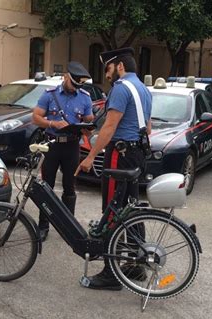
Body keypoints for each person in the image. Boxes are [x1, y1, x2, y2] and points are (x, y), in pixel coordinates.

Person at [74, 47, 152, 290]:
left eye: (107, 68)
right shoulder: (143, 89)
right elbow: (147, 128)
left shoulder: (120, 88)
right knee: (131, 208)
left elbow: (109, 127)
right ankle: (136, 265)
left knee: (112, 210)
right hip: (137, 153)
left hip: (120, 155)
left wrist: (90, 157)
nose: (106, 74)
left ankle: (111, 273)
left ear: (119, 66)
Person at [32, 61, 94, 241]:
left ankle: (69, 227)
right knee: (47, 187)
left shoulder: (84, 97)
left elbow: (89, 121)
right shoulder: (50, 95)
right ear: (66, 77)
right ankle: (43, 226)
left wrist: (88, 123)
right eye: (73, 83)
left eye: (78, 85)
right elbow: (36, 117)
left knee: (70, 187)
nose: (75, 88)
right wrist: (52, 123)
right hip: (52, 145)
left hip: (72, 146)